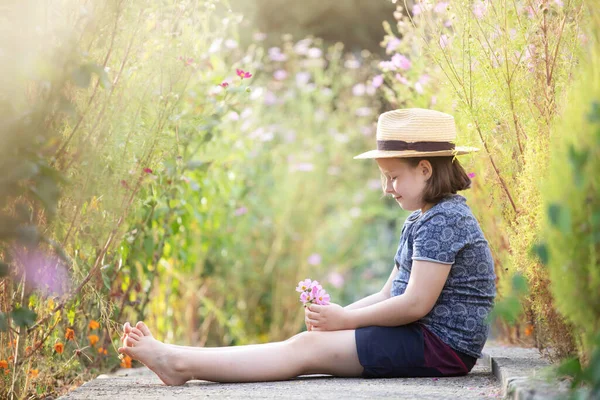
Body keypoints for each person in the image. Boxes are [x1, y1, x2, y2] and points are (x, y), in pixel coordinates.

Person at [117, 108, 497, 385]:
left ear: (425, 170)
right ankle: (179, 360)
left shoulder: (446, 219)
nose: (386, 189)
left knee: (305, 350)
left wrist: (345, 321)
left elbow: (416, 304)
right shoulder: (423, 218)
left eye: (393, 177)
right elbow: (388, 293)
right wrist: (337, 318)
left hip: (440, 347)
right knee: (310, 341)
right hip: (423, 338)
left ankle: (178, 363)